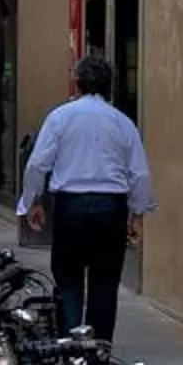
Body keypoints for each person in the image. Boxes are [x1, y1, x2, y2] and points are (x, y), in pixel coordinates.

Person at [16, 52, 155, 347]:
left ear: (76, 84)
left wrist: (33, 201)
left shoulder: (60, 118)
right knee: (105, 284)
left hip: (71, 206)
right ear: (109, 87)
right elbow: (139, 173)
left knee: (68, 281)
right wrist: (137, 213)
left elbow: (37, 164)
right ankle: (98, 358)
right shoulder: (122, 122)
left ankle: (69, 351)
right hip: (110, 208)